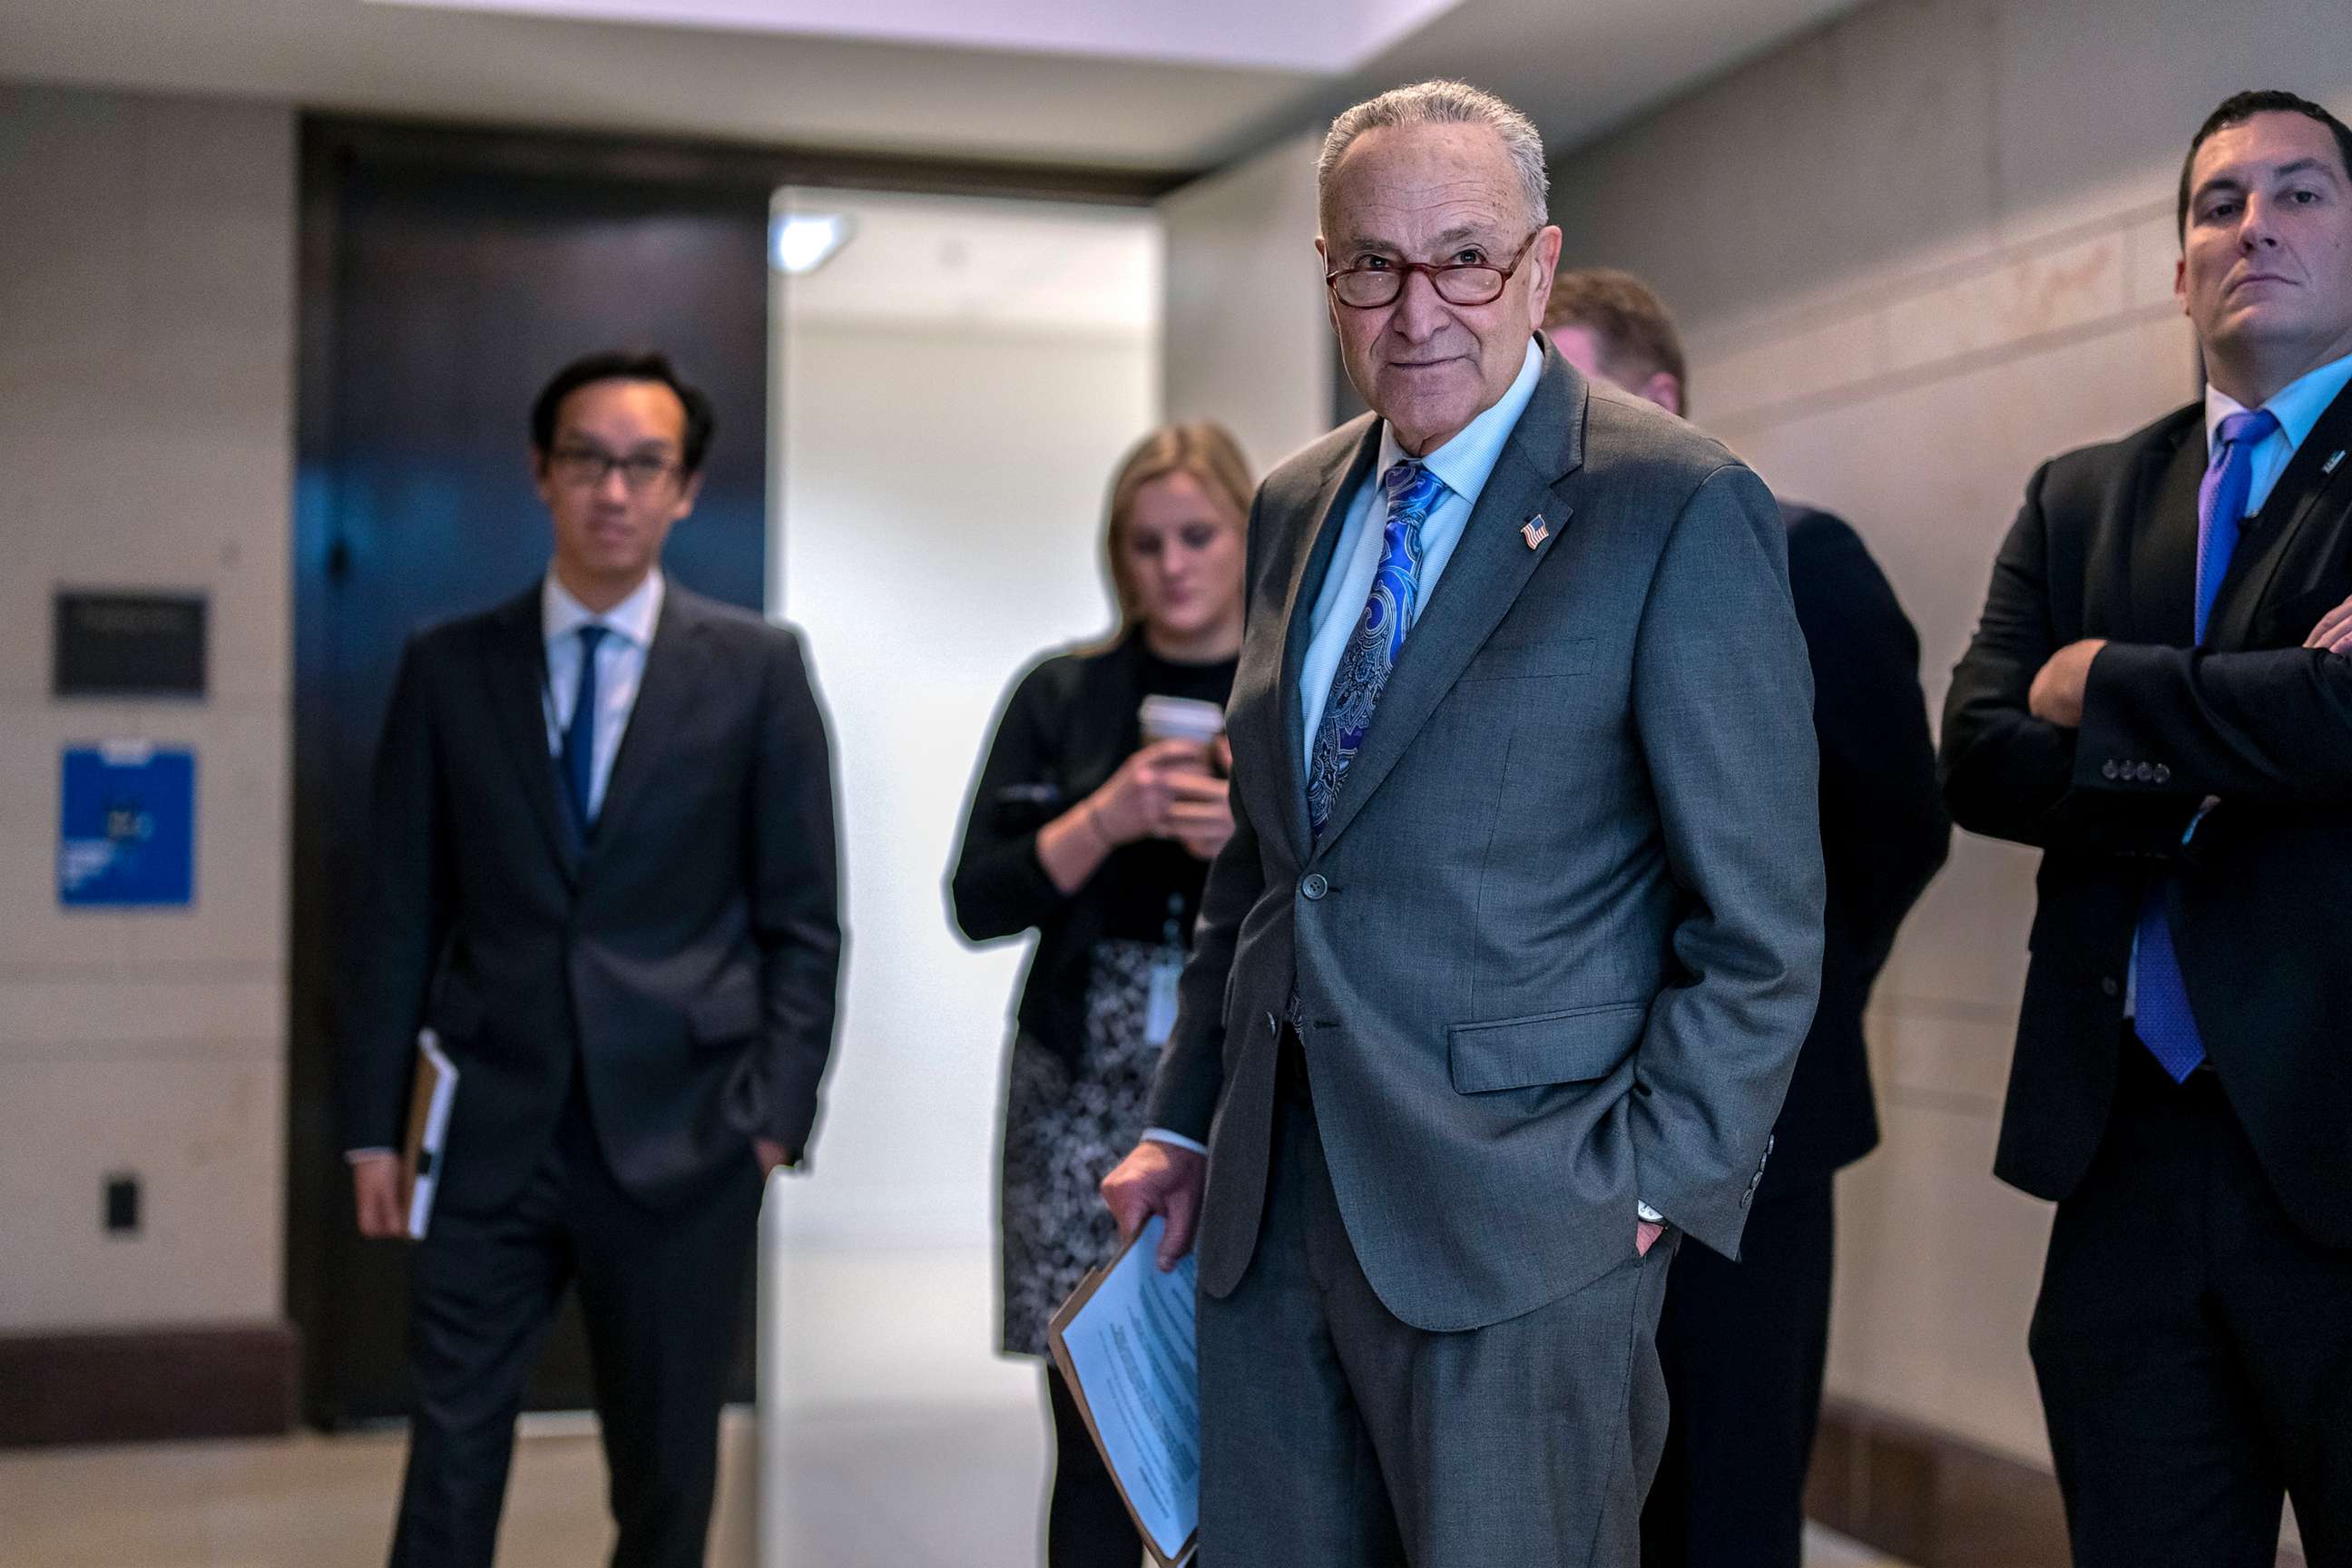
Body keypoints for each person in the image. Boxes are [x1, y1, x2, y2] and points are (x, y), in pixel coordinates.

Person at [1097, 80, 1826, 1566]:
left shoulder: (1674, 505)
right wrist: (1186, 1111)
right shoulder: (1297, 503)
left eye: (1463, 259)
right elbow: (1268, 857)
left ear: (1538, 269)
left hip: (1527, 1226)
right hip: (1263, 1211)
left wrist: (1644, 1182)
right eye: (1371, 264)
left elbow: (1758, 924)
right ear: (1328, 281)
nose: (1416, 307)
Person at [336, 349, 843, 1568]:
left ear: (683, 488)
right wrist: (369, 1127)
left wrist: (772, 1118)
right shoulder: (450, 666)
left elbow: (805, 920)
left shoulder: (758, 670)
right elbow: (397, 907)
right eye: (586, 460)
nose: (613, 489)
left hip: (686, 1135)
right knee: (451, 1455)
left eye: (643, 464)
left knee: (666, 1474)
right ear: (540, 474)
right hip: (490, 1122)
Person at [1942, 90, 2352, 1568]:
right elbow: (1979, 753)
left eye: (2298, 194)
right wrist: (2254, 722)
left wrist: (2102, 682)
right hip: (2120, 1149)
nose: (2254, 227)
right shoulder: (2079, 499)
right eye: (2218, 204)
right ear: (2180, 267)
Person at [1544, 268, 1950, 1568]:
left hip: (1752, 1126)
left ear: (1661, 401)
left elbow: (1891, 827)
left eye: (1561, 392)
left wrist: (1766, 1027)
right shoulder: (1520, 594)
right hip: (1557, 1130)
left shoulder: (1799, 558)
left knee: (1721, 1498)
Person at [949, 422, 1251, 1567]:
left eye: (1196, 536)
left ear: (1246, 540)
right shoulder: (1064, 696)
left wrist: (1246, 837)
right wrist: (1105, 818)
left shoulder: (1300, 680)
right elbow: (978, 897)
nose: (1171, 565)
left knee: (1251, 1409)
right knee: (1092, 1420)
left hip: (1243, 1080)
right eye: (1144, 543)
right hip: (1081, 1085)